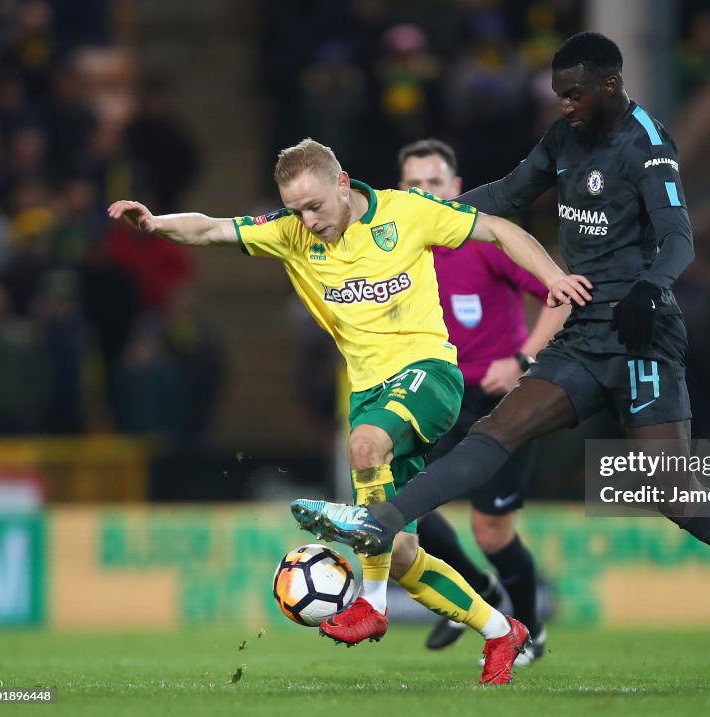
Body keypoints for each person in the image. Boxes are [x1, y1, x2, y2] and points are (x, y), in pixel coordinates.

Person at [291, 32, 710, 685]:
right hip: (584, 334)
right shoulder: (563, 139)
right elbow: (507, 193)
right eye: (558, 95)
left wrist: (647, 288)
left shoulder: (647, 143)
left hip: (643, 334)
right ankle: (381, 520)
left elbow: (679, 240)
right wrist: (423, 217)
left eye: (575, 94)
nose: (565, 106)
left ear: (609, 85)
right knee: (500, 426)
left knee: (672, 490)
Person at [107, 137, 592, 685]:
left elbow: (499, 228)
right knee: (407, 553)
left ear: (342, 184)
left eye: (314, 206)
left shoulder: (407, 212)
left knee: (363, 445)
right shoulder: (290, 234)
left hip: (430, 373)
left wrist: (553, 278)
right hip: (371, 392)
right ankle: (503, 631)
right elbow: (213, 227)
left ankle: (372, 606)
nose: (307, 220)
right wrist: (155, 223)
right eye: (295, 210)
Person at [398, 139, 568, 661]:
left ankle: (530, 632)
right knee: (405, 508)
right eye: (412, 185)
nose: (422, 192)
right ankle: (480, 597)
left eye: (432, 183)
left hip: (500, 403)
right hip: (436, 397)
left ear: (455, 188)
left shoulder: (484, 241)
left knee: (491, 532)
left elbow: (560, 296)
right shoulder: (394, 249)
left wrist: (522, 359)